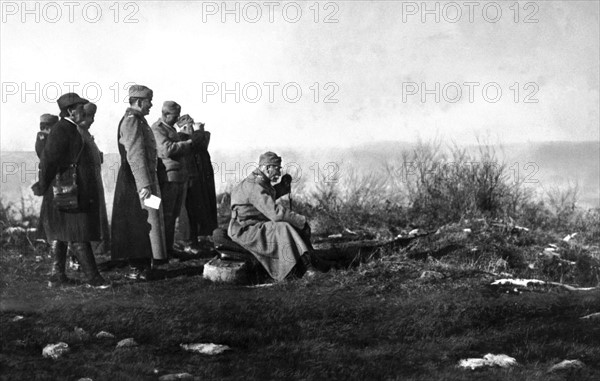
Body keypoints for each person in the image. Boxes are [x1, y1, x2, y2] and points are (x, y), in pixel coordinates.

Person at [32, 93, 108, 288]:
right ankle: (94, 279)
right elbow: (48, 161)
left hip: (67, 190)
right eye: (81, 107)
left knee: (62, 232)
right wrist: (42, 185)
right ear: (71, 111)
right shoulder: (62, 129)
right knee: (77, 232)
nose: (84, 110)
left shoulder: (71, 128)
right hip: (65, 190)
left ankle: (56, 276)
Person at [228, 151, 329, 281]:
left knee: (285, 226)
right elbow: (275, 213)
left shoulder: (258, 180)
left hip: (252, 225)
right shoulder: (254, 185)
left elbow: (266, 197)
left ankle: (310, 260)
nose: (279, 173)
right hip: (245, 230)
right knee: (283, 228)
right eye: (276, 168)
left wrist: (282, 186)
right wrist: (301, 221)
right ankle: (306, 267)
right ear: (267, 167)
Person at [111, 85, 167, 280]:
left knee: (150, 220)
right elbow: (135, 154)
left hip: (144, 179)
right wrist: (144, 185)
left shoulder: (139, 121)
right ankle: (137, 268)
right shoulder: (132, 122)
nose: (151, 105)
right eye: (148, 101)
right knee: (139, 223)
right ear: (139, 102)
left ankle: (147, 264)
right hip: (136, 181)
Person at [151, 102, 194, 257]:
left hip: (178, 176)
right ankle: (163, 251)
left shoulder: (169, 128)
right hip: (169, 178)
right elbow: (167, 149)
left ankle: (168, 248)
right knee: (167, 215)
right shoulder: (157, 129)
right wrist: (187, 143)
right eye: (175, 116)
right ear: (165, 114)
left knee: (174, 214)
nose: (177, 120)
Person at [176, 114, 218, 252]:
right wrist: (199, 131)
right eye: (191, 125)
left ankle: (200, 239)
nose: (193, 128)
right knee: (188, 212)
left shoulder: (194, 139)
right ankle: (188, 242)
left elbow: (203, 142)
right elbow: (194, 143)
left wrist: (201, 132)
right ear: (185, 127)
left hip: (200, 179)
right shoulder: (181, 138)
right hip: (190, 180)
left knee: (201, 210)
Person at [79, 102, 110, 254]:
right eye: (91, 116)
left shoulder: (85, 133)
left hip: (93, 181)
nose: (93, 120)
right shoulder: (78, 133)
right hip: (85, 183)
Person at [35, 113, 59, 241]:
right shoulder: (43, 137)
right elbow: (46, 157)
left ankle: (45, 238)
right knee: (50, 208)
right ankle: (48, 238)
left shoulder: (43, 138)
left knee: (49, 207)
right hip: (49, 175)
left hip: (49, 174)